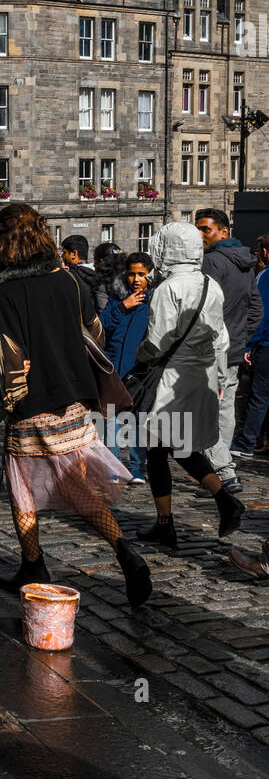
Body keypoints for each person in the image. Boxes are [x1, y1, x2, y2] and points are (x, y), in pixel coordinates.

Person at [0, 203, 150, 607]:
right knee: (78, 488)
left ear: (3, 240)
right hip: (73, 402)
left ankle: (34, 563)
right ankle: (126, 552)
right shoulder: (67, 280)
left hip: (30, 406)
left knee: (21, 489)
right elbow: (95, 335)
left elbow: (5, 362)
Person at [135, 223, 242, 551]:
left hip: (171, 378)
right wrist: (220, 377)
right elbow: (220, 336)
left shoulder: (168, 289)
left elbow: (157, 341)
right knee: (177, 445)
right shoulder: (210, 283)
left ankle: (178, 517)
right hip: (201, 374)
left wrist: (138, 359)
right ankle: (216, 501)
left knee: (159, 447)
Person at [196, 208, 263, 490]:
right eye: (197, 229)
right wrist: (238, 337)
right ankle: (224, 468)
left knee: (208, 412)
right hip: (232, 349)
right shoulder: (245, 262)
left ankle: (220, 471)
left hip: (211, 350)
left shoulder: (211, 262)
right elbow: (255, 309)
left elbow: (202, 309)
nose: (200, 236)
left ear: (223, 231)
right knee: (225, 410)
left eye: (205, 229)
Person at [100, 252, 154, 483]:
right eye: (131, 274)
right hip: (114, 368)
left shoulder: (155, 299)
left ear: (150, 274)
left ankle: (136, 468)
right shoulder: (116, 298)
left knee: (136, 420)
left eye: (141, 274)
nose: (136, 279)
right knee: (110, 419)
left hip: (140, 369)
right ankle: (113, 467)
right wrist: (122, 306)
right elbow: (101, 327)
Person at [231, 247, 269, 461]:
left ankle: (247, 441)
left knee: (259, 396)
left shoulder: (264, 277)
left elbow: (261, 313)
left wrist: (249, 344)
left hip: (265, 344)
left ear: (265, 252)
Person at [92, 242, 128, 315]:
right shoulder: (132, 275)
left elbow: (104, 312)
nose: (93, 264)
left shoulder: (101, 282)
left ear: (101, 261)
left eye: (95, 260)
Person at [61, 235, 97, 303]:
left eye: (64, 252)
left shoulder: (70, 276)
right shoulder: (97, 272)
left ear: (74, 254)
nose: (63, 256)